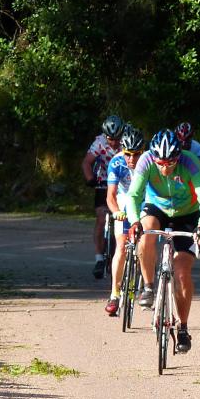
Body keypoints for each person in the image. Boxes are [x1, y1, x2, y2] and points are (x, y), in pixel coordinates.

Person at [126, 129, 200, 353]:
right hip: (156, 207)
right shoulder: (146, 160)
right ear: (153, 158)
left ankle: (183, 327)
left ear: (179, 157)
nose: (165, 168)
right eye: (161, 163)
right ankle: (147, 286)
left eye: (171, 163)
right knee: (146, 230)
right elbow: (134, 195)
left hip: (187, 214)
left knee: (182, 272)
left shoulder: (191, 162)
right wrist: (134, 221)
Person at [104, 126, 145, 316]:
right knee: (121, 246)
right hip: (123, 200)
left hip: (145, 200)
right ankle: (114, 294)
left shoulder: (149, 162)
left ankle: (147, 284)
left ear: (142, 152)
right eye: (128, 154)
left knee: (146, 244)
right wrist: (116, 212)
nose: (131, 159)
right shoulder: (116, 162)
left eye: (136, 154)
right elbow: (110, 196)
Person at [82, 114, 123, 279]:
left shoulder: (127, 143)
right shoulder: (99, 142)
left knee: (121, 219)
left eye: (117, 138)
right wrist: (90, 178)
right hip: (103, 181)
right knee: (101, 218)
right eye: (110, 139)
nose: (114, 142)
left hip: (122, 183)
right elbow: (86, 163)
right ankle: (99, 258)